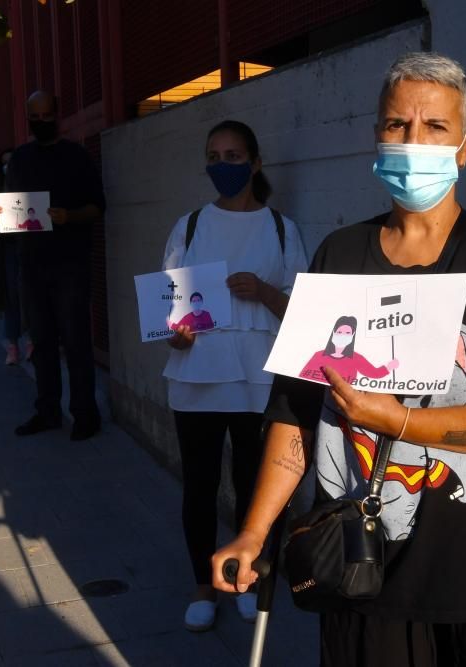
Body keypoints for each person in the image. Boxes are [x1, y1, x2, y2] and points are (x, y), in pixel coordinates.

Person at [212, 53, 466, 667]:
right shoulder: (339, 256)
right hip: (360, 584)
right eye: (396, 125)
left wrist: (407, 424)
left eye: (434, 127)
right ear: (376, 137)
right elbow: (296, 410)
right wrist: (254, 531)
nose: (413, 142)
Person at [163, 120, 308, 632]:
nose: (224, 165)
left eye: (233, 155)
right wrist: (176, 333)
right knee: (199, 486)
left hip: (260, 379)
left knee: (254, 486)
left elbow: (307, 315)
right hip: (198, 377)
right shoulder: (189, 226)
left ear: (255, 161)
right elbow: (170, 308)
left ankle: (247, 576)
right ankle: (203, 585)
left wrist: (265, 292)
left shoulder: (281, 229)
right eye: (214, 156)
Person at [0, 91, 106, 441]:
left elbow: (98, 207)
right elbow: (10, 208)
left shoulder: (77, 156)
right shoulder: (21, 159)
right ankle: (48, 411)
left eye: (46, 115)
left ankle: (85, 414)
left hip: (70, 263)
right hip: (32, 264)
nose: (41, 121)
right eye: (34, 116)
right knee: (40, 343)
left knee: (76, 342)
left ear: (57, 114)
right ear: (27, 117)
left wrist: (69, 216)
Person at [0, 148, 30, 366]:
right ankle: (13, 345)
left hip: (30, 249)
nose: (8, 166)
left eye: (11, 162)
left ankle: (32, 340)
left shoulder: (31, 188)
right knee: (11, 298)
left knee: (31, 296)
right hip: (7, 249)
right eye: (3, 163)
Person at [298, 315, 399, 384]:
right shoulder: (318, 355)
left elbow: (374, 373)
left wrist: (389, 367)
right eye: (340, 332)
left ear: (352, 336)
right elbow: (302, 375)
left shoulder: (357, 358)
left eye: (347, 333)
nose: (343, 336)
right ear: (333, 332)